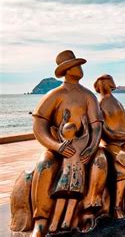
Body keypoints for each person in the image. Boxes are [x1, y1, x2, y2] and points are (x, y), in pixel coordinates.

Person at [31, 50, 107, 237]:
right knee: (44, 164)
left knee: (101, 160)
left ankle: (89, 211)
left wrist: (91, 146)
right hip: (59, 147)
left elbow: (96, 126)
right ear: (67, 69)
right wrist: (56, 146)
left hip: (84, 148)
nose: (80, 69)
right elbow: (39, 126)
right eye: (76, 65)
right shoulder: (54, 95)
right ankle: (41, 220)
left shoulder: (88, 96)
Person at [93, 74, 125, 219]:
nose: (111, 84)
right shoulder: (99, 104)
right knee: (121, 159)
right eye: (107, 82)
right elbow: (104, 131)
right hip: (112, 142)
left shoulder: (117, 102)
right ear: (101, 84)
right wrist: (124, 137)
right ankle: (116, 206)